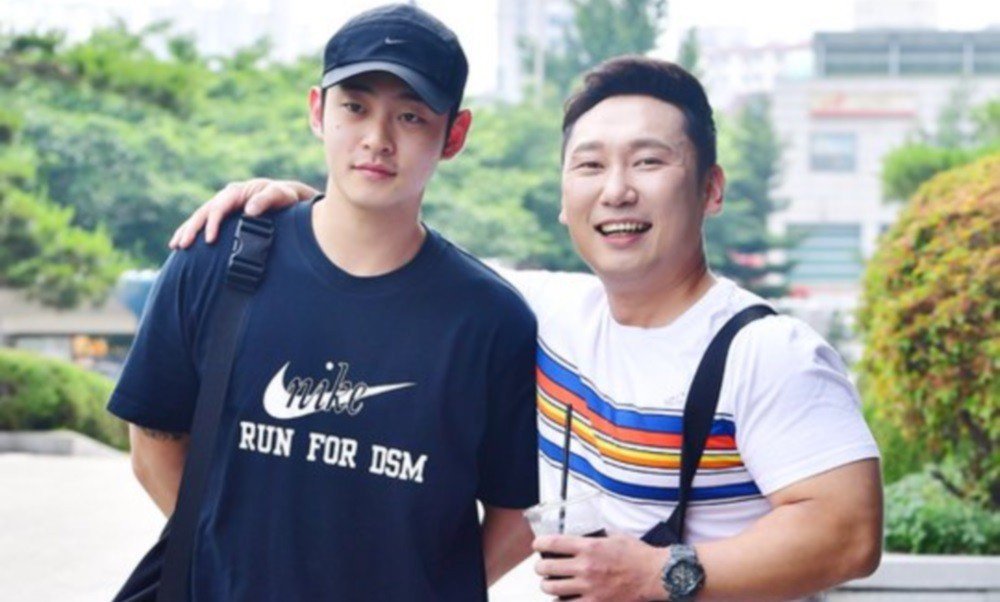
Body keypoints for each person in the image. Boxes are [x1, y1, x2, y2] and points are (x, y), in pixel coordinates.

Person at [171, 57, 883, 601]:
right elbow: (397, 259)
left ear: (711, 189)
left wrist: (659, 574)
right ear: (564, 200)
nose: (617, 190)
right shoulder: (545, 311)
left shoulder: (770, 353)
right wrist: (306, 213)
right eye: (590, 165)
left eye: (649, 162)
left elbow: (849, 533)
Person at [109, 5, 539, 600]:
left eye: (410, 116)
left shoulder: (491, 320)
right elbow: (153, 446)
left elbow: (517, 514)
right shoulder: (216, 259)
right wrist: (232, 567)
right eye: (355, 107)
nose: (377, 139)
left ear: (455, 135)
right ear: (318, 111)